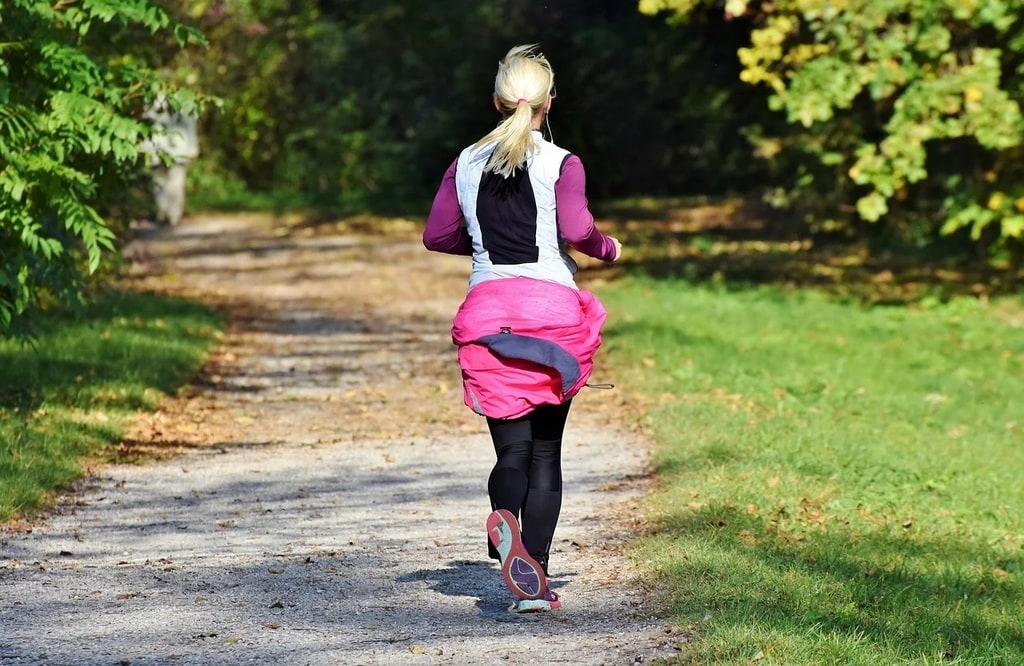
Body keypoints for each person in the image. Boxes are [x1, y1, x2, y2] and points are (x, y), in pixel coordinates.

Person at [423, 44, 622, 613]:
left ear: (496, 100)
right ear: (549, 101)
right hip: (552, 317)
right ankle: (535, 577)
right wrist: (606, 249)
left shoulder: (463, 162)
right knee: (546, 454)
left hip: (489, 315)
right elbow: (578, 227)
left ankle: (503, 517)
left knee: (512, 450)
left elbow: (437, 236)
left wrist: (482, 244)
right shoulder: (562, 162)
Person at [140, 95, 199, 226]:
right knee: (162, 183)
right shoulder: (150, 100)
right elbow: (146, 124)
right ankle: (166, 213)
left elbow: (190, 125)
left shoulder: (183, 102)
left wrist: (193, 148)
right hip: (159, 149)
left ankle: (171, 215)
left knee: (172, 184)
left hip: (175, 150)